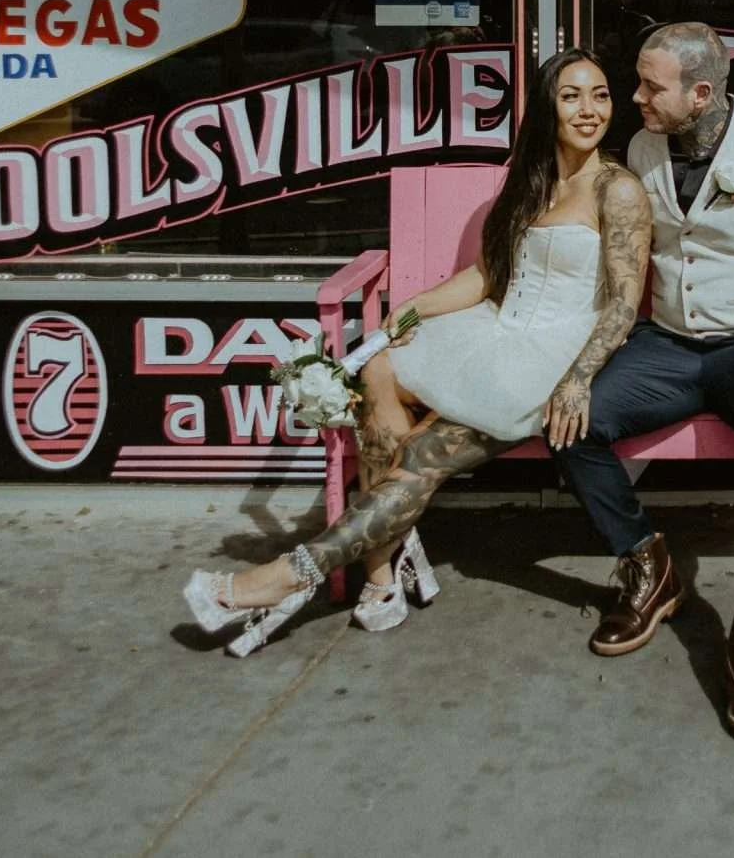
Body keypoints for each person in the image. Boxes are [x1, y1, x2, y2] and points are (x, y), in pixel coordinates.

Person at [184, 50, 652, 656]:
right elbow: (486, 278)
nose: (590, 110)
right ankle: (382, 574)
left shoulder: (618, 190)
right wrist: (408, 312)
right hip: (495, 328)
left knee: (424, 452)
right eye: (571, 96)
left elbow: (622, 304)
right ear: (546, 105)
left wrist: (578, 380)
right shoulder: (531, 179)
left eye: (600, 95)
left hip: (551, 356)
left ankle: (287, 576)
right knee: (378, 367)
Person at [549, 22, 734, 743]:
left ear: (701, 93)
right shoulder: (643, 147)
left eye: (651, 85)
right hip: (669, 344)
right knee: (566, 420)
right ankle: (649, 564)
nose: (635, 97)